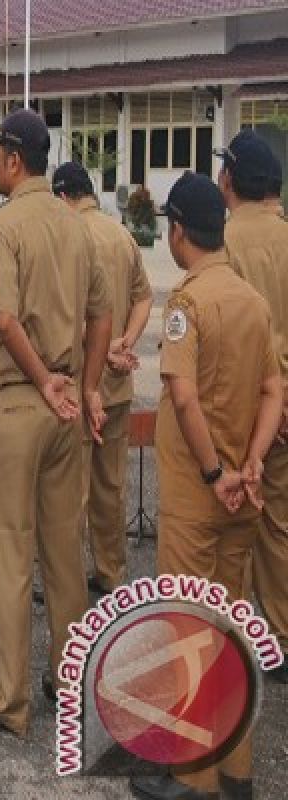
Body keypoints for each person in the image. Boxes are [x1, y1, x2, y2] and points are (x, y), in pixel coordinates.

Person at [0, 109, 111, 736]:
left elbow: (4, 316)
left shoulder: (6, 223)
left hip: (23, 400)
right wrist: (86, 385)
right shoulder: (76, 227)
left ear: (14, 159)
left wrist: (44, 379)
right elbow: (102, 316)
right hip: (68, 405)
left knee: (9, 551)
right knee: (64, 557)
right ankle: (68, 684)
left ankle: (10, 701)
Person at [128, 172, 282, 800]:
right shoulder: (252, 300)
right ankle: (236, 770)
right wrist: (251, 464)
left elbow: (183, 395)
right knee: (232, 630)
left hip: (201, 496)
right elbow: (275, 390)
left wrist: (217, 472)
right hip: (244, 493)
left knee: (190, 630)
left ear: (178, 231)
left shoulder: (189, 304)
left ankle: (195, 778)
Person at [52, 162, 153, 595]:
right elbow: (144, 297)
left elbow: (62, 315)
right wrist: (124, 342)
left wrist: (100, 348)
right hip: (117, 386)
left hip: (78, 385)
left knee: (70, 490)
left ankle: (68, 579)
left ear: (61, 198)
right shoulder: (121, 235)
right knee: (111, 486)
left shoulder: (67, 238)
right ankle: (111, 573)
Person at [216, 130, 288, 685]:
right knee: (281, 525)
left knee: (229, 525)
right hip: (282, 407)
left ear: (230, 179)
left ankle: (230, 639)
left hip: (241, 405)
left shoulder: (224, 240)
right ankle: (282, 636)